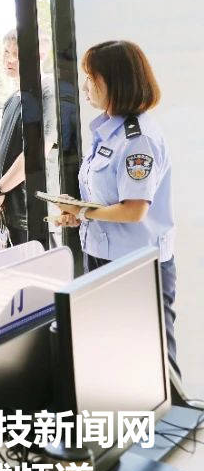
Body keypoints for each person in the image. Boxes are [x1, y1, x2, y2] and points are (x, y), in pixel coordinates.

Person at [52, 40, 179, 378]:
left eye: (91, 77)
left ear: (116, 81)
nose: (84, 87)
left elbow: (133, 210)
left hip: (137, 266)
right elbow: (106, 201)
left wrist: (82, 213)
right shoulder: (108, 131)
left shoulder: (138, 139)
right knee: (114, 360)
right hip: (102, 258)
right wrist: (77, 215)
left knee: (155, 363)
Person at [0, 29, 56, 245]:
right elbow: (0, 146)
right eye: (6, 52)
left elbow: (38, 150)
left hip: (32, 213)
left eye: (17, 54)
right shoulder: (13, 97)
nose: (9, 59)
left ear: (40, 56)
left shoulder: (48, 91)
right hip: (7, 210)